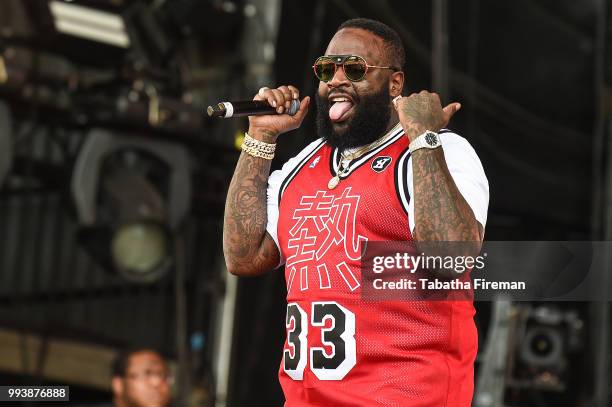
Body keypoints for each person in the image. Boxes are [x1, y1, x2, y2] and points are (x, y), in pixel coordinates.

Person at [223, 17, 489, 406]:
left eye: (355, 69)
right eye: (328, 69)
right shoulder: (301, 166)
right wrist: (260, 137)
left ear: (395, 84)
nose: (337, 80)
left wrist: (424, 138)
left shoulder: (440, 152)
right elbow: (243, 257)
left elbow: (451, 257)